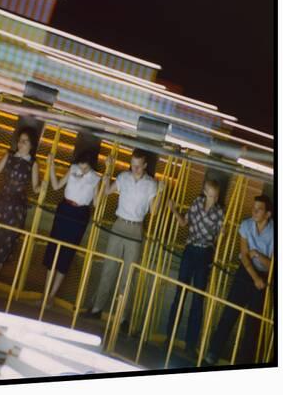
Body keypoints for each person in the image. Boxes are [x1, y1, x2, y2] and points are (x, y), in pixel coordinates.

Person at [82, 149, 159, 331]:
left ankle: (123, 317)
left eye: (139, 166)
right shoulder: (124, 177)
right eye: (133, 165)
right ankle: (97, 308)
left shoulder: (151, 184)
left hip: (135, 228)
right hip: (119, 224)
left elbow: (153, 211)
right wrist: (108, 170)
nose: (136, 169)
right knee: (109, 266)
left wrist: (160, 194)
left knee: (128, 274)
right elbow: (107, 191)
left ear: (145, 166)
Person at [205, 194, 274, 365]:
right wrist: (255, 276)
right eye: (254, 207)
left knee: (253, 324)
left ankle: (244, 363)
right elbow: (244, 256)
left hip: (266, 277)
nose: (254, 211)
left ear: (268, 214)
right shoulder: (246, 225)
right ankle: (212, 353)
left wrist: (257, 254)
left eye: (259, 209)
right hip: (247, 273)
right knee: (229, 313)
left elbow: (274, 264)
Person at [0, 128, 41, 296]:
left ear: (31, 145)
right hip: (0, 203)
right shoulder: (9, 156)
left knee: (5, 243)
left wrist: (45, 184)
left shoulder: (33, 164)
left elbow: (35, 188)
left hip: (15, 209)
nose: (20, 144)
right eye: (20, 140)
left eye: (25, 141)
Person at [165, 178, 224, 358]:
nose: (212, 198)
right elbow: (184, 223)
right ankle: (170, 337)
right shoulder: (197, 203)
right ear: (205, 192)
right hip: (190, 250)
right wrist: (173, 209)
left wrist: (223, 235)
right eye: (209, 194)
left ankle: (190, 344)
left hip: (205, 252)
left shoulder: (220, 212)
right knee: (180, 293)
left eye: (214, 195)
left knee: (198, 299)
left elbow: (220, 236)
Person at [42, 150, 101, 308]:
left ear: (91, 165)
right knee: (53, 247)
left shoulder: (96, 178)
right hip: (64, 209)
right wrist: (51, 166)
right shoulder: (73, 168)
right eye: (81, 165)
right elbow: (56, 186)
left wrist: (104, 185)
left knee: (66, 253)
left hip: (79, 214)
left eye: (85, 167)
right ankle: (45, 294)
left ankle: (51, 296)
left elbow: (96, 203)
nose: (82, 169)